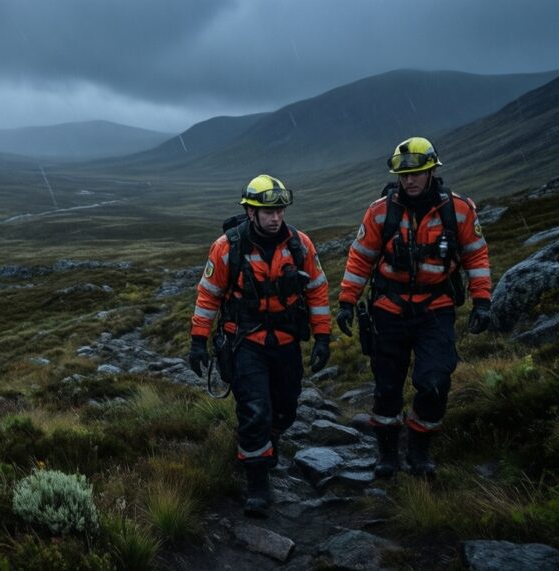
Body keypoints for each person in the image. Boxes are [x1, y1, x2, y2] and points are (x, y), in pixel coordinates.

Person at [336, 136, 491, 479]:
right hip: (388, 310)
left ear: (432, 171)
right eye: (404, 175)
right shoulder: (380, 212)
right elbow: (360, 259)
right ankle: (387, 453)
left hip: (436, 308)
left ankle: (419, 450)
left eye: (417, 173)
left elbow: (476, 255)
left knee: (435, 382)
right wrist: (347, 302)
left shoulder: (459, 210)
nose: (409, 180)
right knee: (387, 387)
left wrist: (482, 301)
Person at [188, 174, 331, 517]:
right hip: (244, 342)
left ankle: (270, 439)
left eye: (280, 211)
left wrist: (323, 336)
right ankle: (257, 484)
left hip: (286, 342)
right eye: (268, 212)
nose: (275, 217)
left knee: (286, 408)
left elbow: (317, 290)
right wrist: (198, 341)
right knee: (254, 409)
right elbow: (208, 295)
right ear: (250, 212)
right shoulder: (227, 247)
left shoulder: (300, 245)